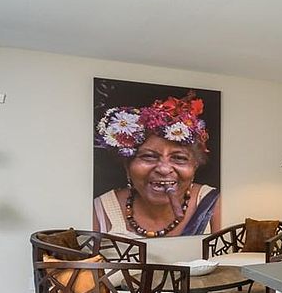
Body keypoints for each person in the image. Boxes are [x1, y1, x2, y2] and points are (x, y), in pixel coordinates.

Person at [92, 92, 220, 237]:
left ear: (195, 165)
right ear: (127, 164)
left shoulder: (214, 204)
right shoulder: (100, 210)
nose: (164, 169)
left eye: (179, 158)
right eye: (149, 156)